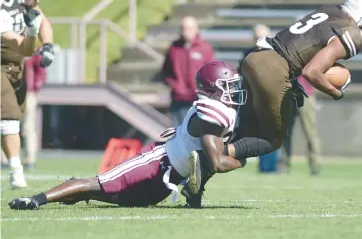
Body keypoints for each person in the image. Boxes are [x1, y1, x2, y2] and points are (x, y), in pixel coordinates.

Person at [182, 0, 362, 208]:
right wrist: (337, 92)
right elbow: (313, 72)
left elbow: (299, 49)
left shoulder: (330, 11)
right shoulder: (352, 33)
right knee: (271, 140)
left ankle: (195, 187)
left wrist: (294, 83)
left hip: (256, 57)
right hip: (274, 70)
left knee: (244, 134)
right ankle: (209, 157)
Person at [9, 61, 271, 210]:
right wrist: (242, 158)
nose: (235, 91)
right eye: (229, 86)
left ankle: (76, 192)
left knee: (117, 198)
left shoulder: (221, 110)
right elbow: (217, 162)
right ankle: (37, 199)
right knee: (97, 184)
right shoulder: (212, 112)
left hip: (167, 180)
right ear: (213, 89)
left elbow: (209, 160)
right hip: (156, 162)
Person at [1, 0, 55, 188]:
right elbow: (21, 45)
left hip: (17, 65)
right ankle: (16, 170)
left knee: (18, 113)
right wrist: (32, 34)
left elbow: (42, 20)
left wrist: (49, 45)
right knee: (9, 118)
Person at [162, 16, 214, 126]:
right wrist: (175, 86)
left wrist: (201, 90)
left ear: (196, 29)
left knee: (198, 136)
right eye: (183, 29)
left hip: (199, 101)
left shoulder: (204, 48)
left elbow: (211, 73)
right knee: (178, 135)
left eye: (189, 29)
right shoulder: (174, 48)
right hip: (179, 101)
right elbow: (166, 72)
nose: (186, 32)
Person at [280, 75, 321, 175]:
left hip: (306, 94)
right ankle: (283, 167)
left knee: (310, 133)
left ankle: (315, 166)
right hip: (288, 94)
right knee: (284, 133)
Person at [22, 52, 47, 169]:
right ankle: (5, 158)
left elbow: (41, 71)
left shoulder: (34, 51)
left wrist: (34, 87)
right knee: (6, 125)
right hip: (8, 93)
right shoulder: (7, 47)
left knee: (28, 127)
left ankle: (29, 158)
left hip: (27, 93)